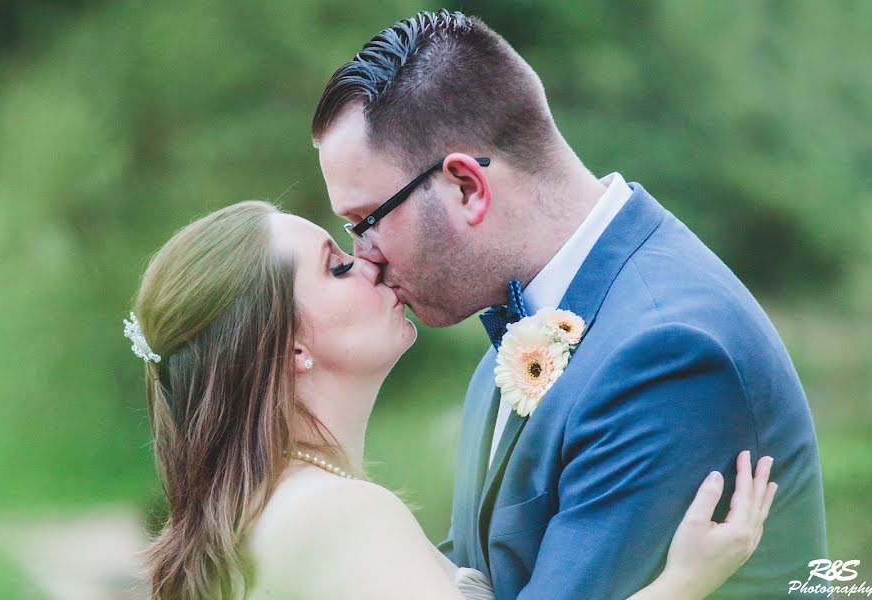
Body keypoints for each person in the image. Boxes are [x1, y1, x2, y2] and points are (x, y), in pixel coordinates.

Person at [311, 9, 828, 599]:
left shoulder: (668, 356)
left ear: (465, 186)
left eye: (366, 221)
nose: (365, 258)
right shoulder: (520, 330)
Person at [126, 201, 775, 599]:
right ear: (292, 346)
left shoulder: (267, 515)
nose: (369, 262)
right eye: (335, 266)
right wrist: (684, 581)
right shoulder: (337, 517)